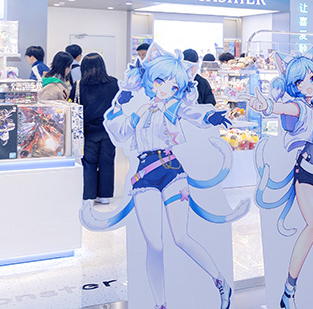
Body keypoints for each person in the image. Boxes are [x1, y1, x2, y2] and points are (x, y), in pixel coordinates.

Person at [100, 44, 234, 309]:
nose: (165, 89)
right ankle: (160, 303)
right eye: (160, 81)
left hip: (172, 170)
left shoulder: (174, 106)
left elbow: (193, 113)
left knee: (180, 236)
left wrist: (211, 116)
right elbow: (120, 131)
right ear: (151, 80)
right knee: (155, 244)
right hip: (145, 175)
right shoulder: (140, 109)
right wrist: (120, 103)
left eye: (173, 86)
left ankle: (220, 282)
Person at [250, 49, 313, 309]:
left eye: (312, 78)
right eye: (300, 81)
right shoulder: (299, 107)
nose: (309, 84)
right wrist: (266, 106)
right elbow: (281, 107)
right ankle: (289, 290)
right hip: (306, 173)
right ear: (293, 85)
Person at [69, 53, 119, 203]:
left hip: (87, 131)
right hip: (108, 130)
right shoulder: (114, 83)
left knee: (89, 163)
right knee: (107, 162)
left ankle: (89, 197)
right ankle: (105, 197)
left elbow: (73, 105)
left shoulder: (79, 85)